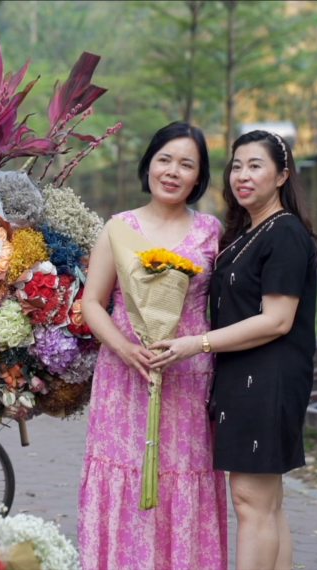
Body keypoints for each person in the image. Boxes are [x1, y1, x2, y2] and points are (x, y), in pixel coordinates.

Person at [149, 130, 317, 570]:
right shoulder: (249, 232)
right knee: (265, 504)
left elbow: (277, 320)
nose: (242, 175)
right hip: (243, 375)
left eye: (255, 166)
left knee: (250, 501)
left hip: (268, 377)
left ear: (281, 176)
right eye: (237, 166)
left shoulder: (285, 232)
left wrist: (196, 344)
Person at [79, 122, 228, 569]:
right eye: (164, 159)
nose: (172, 171)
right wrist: (125, 349)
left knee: (183, 478)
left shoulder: (212, 232)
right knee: (122, 474)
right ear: (148, 166)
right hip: (124, 378)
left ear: (198, 177)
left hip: (189, 380)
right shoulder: (118, 228)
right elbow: (92, 303)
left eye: (186, 164)